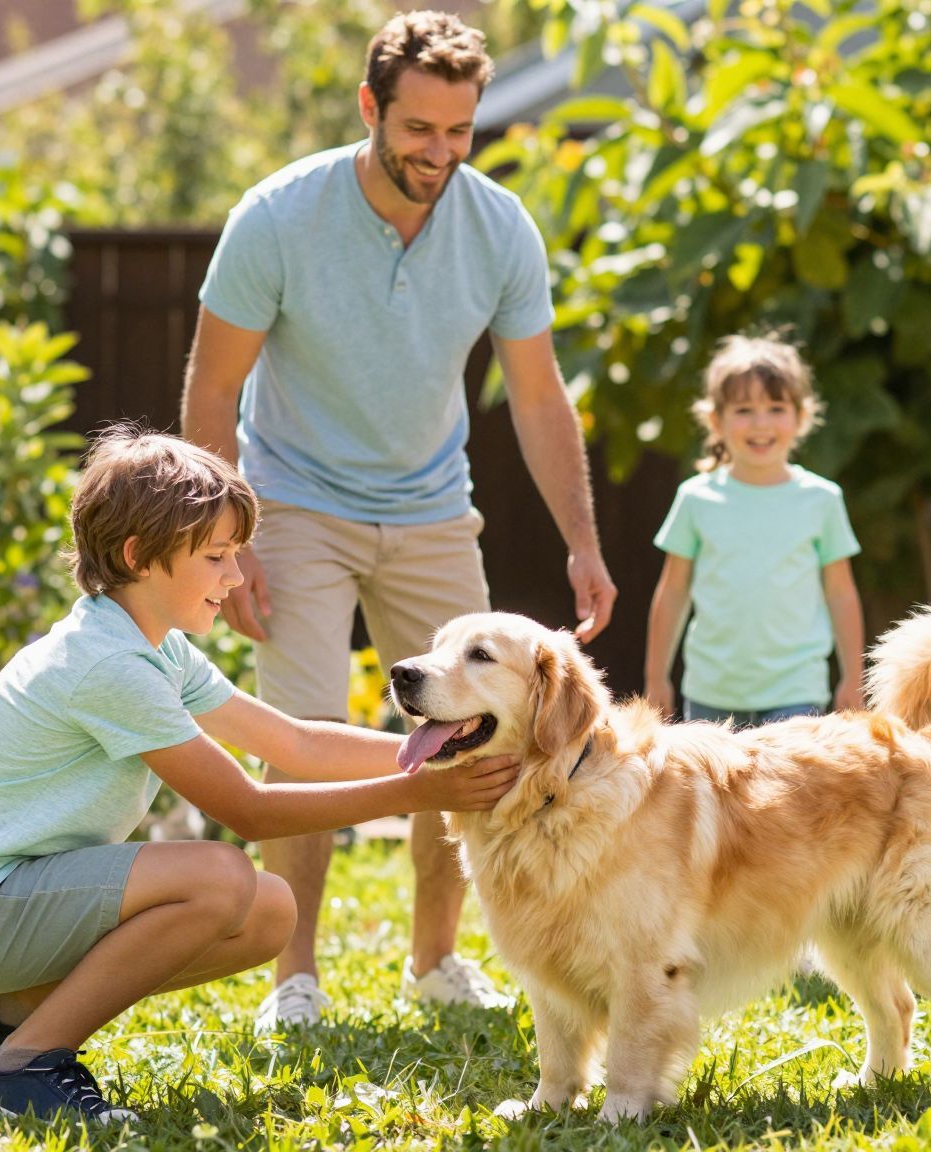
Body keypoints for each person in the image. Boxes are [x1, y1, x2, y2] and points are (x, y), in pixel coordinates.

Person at [180, 10, 616, 1030]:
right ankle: (294, 979)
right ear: (371, 107)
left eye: (459, 131)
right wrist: (223, 549)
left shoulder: (498, 224)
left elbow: (541, 397)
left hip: (428, 508)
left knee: (467, 741)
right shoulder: (279, 217)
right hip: (293, 504)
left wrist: (583, 541)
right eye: (420, 129)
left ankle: (433, 963)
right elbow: (209, 397)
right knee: (306, 740)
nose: (440, 153)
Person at [0, 430, 521, 1123]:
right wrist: (417, 791)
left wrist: (430, 750)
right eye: (217, 557)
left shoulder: (156, 647)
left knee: (267, 912)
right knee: (222, 877)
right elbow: (250, 811)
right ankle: (21, 1068)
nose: (234, 578)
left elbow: (294, 741)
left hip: (18, 901)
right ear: (139, 557)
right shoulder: (109, 665)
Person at [644, 335, 864, 727]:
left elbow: (841, 592)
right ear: (716, 419)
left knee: (787, 791)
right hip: (712, 694)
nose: (761, 423)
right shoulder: (696, 498)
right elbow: (673, 591)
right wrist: (656, 677)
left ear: (801, 416)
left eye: (776, 408)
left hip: (798, 691)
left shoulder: (822, 500)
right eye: (744, 409)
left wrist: (852, 678)